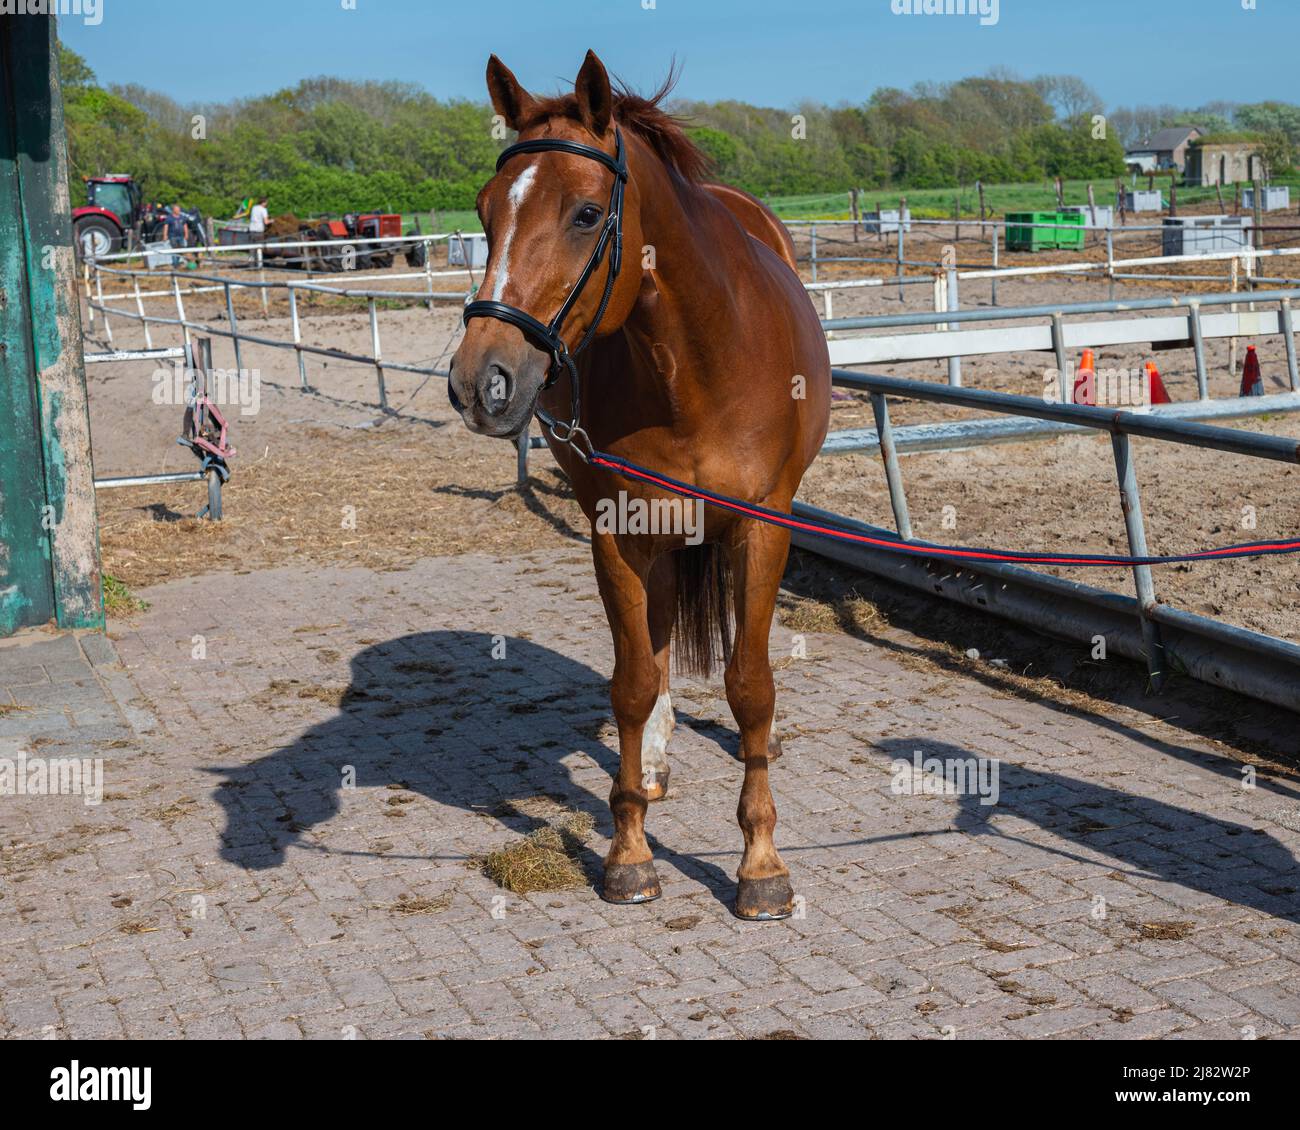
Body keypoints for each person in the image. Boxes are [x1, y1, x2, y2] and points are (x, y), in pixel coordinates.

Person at [163, 204, 190, 269]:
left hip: (181, 236)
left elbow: (185, 225)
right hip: (172, 236)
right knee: (174, 250)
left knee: (181, 250)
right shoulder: (169, 218)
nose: (179, 211)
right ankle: (175, 265)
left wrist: (186, 234)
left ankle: (176, 263)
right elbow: (166, 227)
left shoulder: (182, 217)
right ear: (174, 210)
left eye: (179, 209)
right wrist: (165, 235)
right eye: (177, 209)